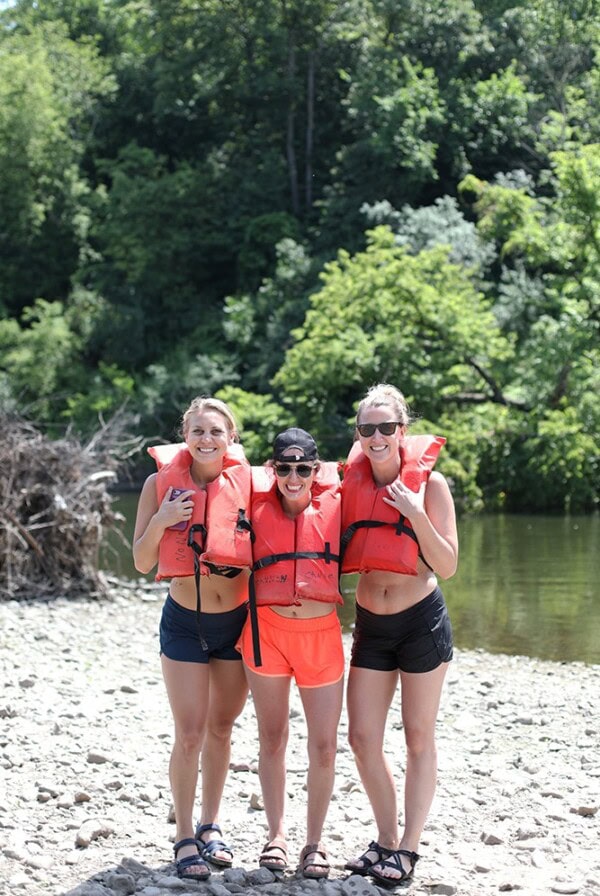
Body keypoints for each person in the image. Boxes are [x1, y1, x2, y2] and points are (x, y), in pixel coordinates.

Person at [341, 384, 458, 887]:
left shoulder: (432, 486)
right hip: (371, 623)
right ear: (359, 435)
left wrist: (413, 511)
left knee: (417, 737)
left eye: (386, 427)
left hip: (419, 622)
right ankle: (386, 838)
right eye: (367, 429)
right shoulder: (350, 484)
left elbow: (448, 565)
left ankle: (409, 847)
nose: (377, 437)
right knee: (362, 737)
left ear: (402, 431)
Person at [133, 396, 252, 881]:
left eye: (216, 432)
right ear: (186, 436)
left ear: (231, 439)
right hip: (183, 621)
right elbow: (142, 561)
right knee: (189, 732)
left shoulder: (251, 485)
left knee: (221, 729)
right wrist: (162, 518)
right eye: (198, 431)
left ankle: (210, 825)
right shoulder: (156, 485)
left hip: (235, 623)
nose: (207, 440)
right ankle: (183, 834)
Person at [236, 427, 345, 879]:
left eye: (303, 469)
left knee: (323, 747)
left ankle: (314, 842)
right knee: (273, 738)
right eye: (285, 468)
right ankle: (276, 836)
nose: (293, 477)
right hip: (267, 634)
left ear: (316, 471)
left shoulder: (339, 506)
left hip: (321, 635)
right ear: (272, 469)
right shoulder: (254, 508)